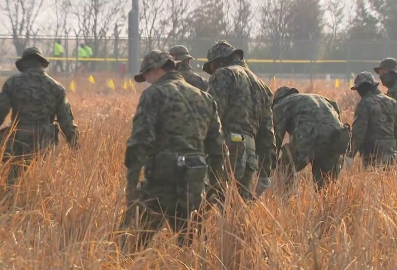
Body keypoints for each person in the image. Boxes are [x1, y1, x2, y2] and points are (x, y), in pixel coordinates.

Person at [122, 50, 226, 250]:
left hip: (162, 179)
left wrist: (131, 187)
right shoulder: (205, 98)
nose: (148, 82)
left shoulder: (154, 94)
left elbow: (140, 142)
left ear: (157, 69)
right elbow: (218, 150)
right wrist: (214, 189)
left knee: (129, 242)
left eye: (147, 77)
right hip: (195, 181)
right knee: (192, 248)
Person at [203, 40, 275, 202]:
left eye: (212, 66)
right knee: (241, 207)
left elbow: (211, 113)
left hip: (226, 149)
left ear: (220, 61)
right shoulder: (262, 86)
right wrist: (264, 173)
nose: (213, 71)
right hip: (249, 153)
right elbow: (267, 134)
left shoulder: (224, 74)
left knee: (213, 200)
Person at [0, 47, 79, 185]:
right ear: (42, 64)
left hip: (19, 142)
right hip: (45, 142)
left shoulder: (13, 83)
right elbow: (66, 122)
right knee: (41, 183)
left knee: (14, 183)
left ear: (24, 64)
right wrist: (75, 146)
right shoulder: (56, 87)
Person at [273, 86, 350, 191]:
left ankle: (284, 200)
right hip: (337, 136)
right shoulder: (322, 100)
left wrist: (269, 164)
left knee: (284, 167)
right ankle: (328, 206)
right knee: (326, 184)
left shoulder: (281, 104)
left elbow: (275, 138)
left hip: (310, 136)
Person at [346, 71, 397, 169]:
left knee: (373, 180)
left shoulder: (365, 103)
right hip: (391, 153)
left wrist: (350, 156)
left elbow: (359, 132)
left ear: (362, 88)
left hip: (372, 154)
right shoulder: (392, 102)